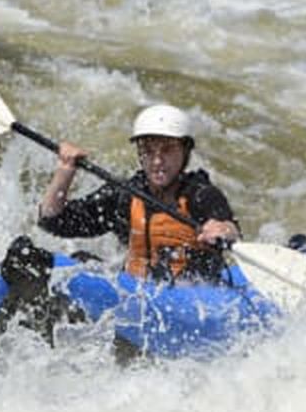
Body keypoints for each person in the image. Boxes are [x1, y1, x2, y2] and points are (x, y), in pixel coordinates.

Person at [39, 104, 240, 283]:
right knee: (75, 258)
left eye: (167, 150)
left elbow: (231, 229)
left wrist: (223, 229)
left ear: (185, 151)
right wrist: (65, 171)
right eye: (148, 151)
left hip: (191, 300)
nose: (157, 161)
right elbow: (54, 222)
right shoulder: (125, 195)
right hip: (136, 294)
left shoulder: (201, 195)